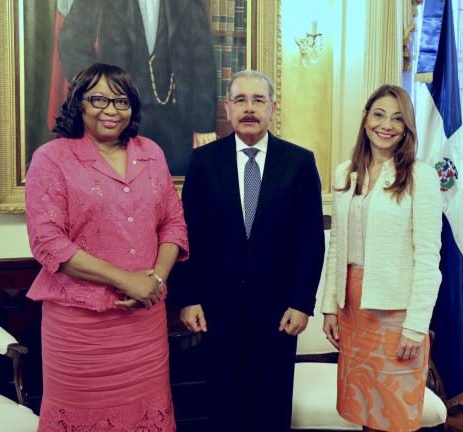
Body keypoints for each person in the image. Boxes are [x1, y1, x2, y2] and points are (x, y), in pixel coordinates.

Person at [24, 63, 188, 431]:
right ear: (78, 103)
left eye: (121, 100)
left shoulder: (152, 153)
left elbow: (173, 223)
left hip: (143, 324)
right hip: (79, 329)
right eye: (98, 99)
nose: (111, 110)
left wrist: (156, 281)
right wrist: (126, 280)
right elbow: (48, 243)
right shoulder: (52, 158)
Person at [177, 70, 325, 432]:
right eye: (240, 99)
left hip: (279, 314)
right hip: (217, 312)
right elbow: (187, 235)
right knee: (223, 408)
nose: (249, 108)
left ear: (272, 108)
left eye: (258, 100)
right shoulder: (203, 161)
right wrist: (189, 298)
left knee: (271, 410)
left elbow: (310, 239)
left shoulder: (299, 162)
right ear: (228, 107)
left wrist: (302, 303)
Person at [321, 84, 443, 432]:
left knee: (393, 415)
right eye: (379, 114)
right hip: (352, 308)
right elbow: (337, 249)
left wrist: (416, 326)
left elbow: (428, 258)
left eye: (398, 118)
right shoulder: (346, 173)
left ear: (407, 128)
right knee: (363, 412)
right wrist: (331, 305)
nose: (386, 124)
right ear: (365, 119)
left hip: (396, 312)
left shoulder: (421, 177)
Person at [55, 0, 218, 176]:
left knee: (175, 189)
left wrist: (204, 125)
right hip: (118, 117)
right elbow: (71, 44)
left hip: (177, 117)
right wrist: (99, 91)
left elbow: (203, 58)